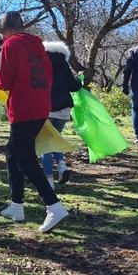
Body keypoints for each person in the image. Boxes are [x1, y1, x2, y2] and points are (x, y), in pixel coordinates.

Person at [0, 12, 70, 233]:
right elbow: (48, 76)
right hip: (41, 104)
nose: (3, 38)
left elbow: (4, 82)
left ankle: (53, 205)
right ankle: (16, 205)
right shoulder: (38, 45)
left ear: (8, 31)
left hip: (23, 106)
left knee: (24, 158)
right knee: (13, 153)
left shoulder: (11, 44)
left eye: (2, 35)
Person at [42, 40, 83, 184]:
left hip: (44, 108)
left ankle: (49, 181)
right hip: (64, 109)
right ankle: (61, 166)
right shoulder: (64, 64)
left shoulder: (39, 62)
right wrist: (79, 80)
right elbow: (74, 87)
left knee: (44, 144)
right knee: (55, 139)